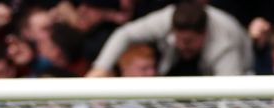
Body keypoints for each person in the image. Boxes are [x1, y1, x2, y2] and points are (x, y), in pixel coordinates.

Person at [88, 0, 251, 77]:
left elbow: (229, 94)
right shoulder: (167, 18)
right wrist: (101, 68)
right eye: (179, 39)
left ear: (204, 34)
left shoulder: (224, 43)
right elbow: (125, 34)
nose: (182, 45)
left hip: (240, 72)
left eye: (189, 41)